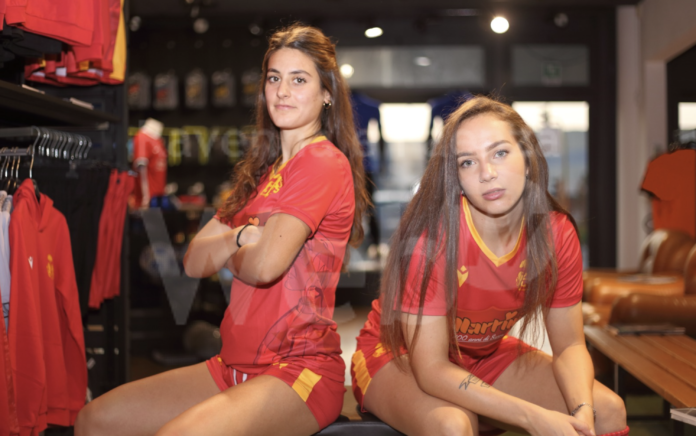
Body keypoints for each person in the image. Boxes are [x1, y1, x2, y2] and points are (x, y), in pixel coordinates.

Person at [75, 23, 369, 436]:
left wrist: (230, 247)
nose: (282, 91)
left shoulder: (321, 162)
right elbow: (194, 261)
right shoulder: (261, 172)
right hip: (231, 365)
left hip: (296, 372)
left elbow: (266, 267)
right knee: (95, 421)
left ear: (326, 93)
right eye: (274, 78)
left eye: (299, 80)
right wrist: (240, 237)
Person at [351, 96, 629, 436]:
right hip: (399, 355)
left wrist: (582, 411)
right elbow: (432, 368)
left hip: (484, 355)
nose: (487, 173)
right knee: (454, 426)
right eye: (468, 162)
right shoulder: (432, 241)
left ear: (527, 158)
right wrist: (532, 417)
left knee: (608, 411)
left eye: (500, 153)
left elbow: (570, 346)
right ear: (456, 178)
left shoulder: (556, 234)